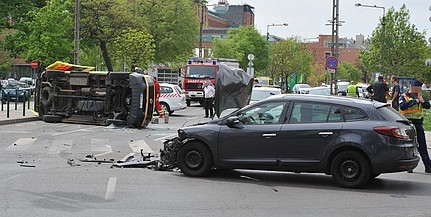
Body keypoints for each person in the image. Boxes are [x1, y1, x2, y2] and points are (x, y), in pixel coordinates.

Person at [399, 79, 431, 173]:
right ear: (412, 88)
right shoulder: (404, 96)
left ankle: (428, 166)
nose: (419, 91)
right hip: (407, 124)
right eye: (417, 89)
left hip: (418, 123)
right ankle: (409, 167)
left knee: (422, 144)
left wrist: (422, 102)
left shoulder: (419, 96)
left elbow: (427, 106)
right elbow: (403, 106)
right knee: (409, 145)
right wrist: (415, 101)